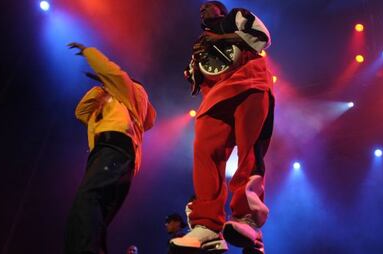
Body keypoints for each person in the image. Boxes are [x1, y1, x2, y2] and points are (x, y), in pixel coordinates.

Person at [171, 1, 274, 254]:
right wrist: (192, 69)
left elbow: (262, 38)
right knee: (204, 152)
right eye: (200, 10)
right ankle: (207, 226)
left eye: (208, 7)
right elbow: (201, 76)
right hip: (215, 96)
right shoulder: (202, 41)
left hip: (250, 83)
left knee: (249, 152)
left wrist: (220, 36)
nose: (202, 10)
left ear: (221, 10)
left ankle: (247, 219)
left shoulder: (238, 16)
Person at [64, 42, 156, 254]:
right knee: (97, 214)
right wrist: (101, 89)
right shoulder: (116, 103)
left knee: (87, 201)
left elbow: (112, 72)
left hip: (113, 148)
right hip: (113, 153)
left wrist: (90, 53)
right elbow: (82, 113)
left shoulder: (132, 93)